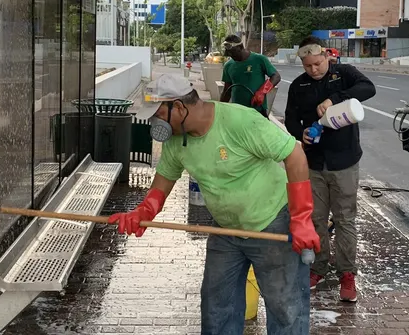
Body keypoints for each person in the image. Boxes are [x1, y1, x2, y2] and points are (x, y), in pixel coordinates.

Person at [109, 74, 320, 335]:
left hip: (272, 222)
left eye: (159, 114)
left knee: (285, 309)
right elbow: (162, 184)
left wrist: (301, 219)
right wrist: (143, 211)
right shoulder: (177, 141)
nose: (155, 123)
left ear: (180, 107)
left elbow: (295, 154)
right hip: (226, 231)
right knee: (217, 307)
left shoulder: (239, 120)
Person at [284, 36, 376, 303]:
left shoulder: (343, 74)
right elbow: (290, 117)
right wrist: (299, 134)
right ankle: (319, 267)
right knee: (316, 219)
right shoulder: (299, 85)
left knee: (345, 219)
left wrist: (335, 98)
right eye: (307, 66)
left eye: (317, 63)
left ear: (326, 55)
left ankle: (347, 274)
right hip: (313, 163)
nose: (314, 70)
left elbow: (368, 88)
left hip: (344, 161)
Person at [219, 34, 281, 117]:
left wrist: (262, 92)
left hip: (257, 110)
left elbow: (276, 76)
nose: (232, 56)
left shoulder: (259, 59)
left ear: (240, 47)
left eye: (233, 53)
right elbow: (227, 91)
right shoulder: (228, 66)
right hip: (238, 111)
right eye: (229, 54)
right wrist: (219, 109)